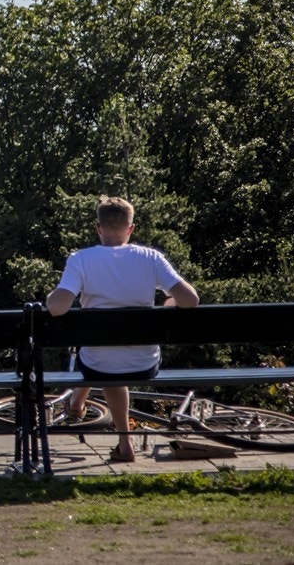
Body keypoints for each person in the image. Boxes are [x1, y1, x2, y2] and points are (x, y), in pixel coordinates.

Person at [45, 196, 199, 463]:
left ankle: (119, 437)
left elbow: (57, 307)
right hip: (145, 361)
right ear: (131, 229)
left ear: (98, 227)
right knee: (108, 359)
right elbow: (190, 300)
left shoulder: (81, 260)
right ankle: (82, 407)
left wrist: (51, 297)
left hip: (97, 362)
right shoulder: (151, 258)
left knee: (99, 360)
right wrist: (168, 304)